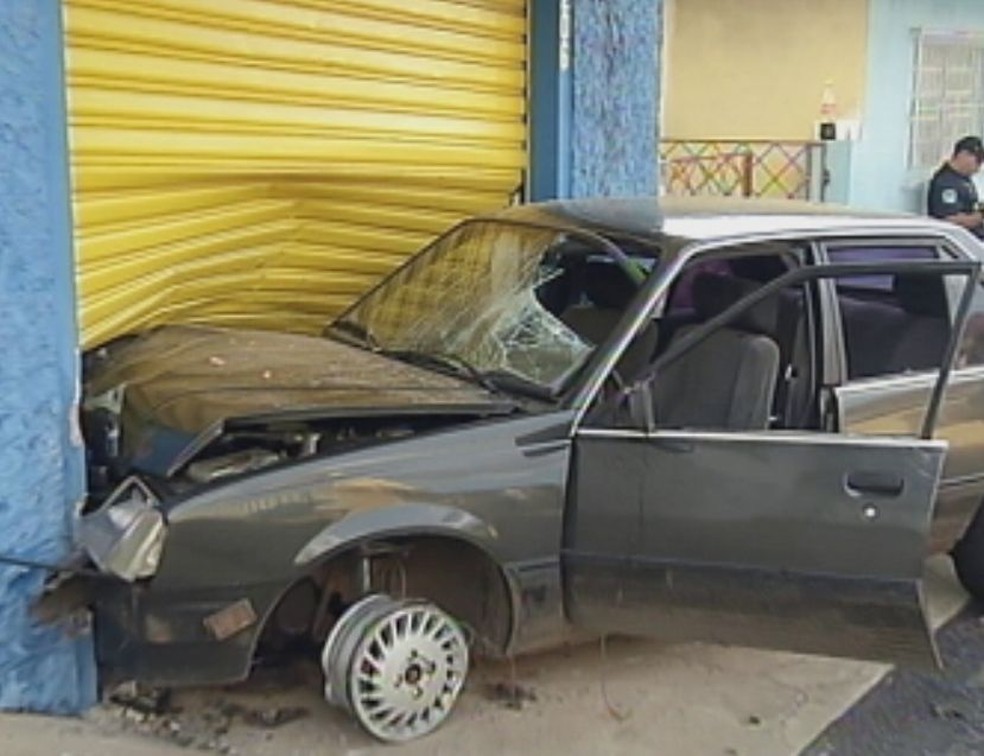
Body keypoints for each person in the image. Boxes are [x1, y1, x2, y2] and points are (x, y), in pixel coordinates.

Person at [927, 135, 984, 239]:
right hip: (959, 244)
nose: (979, 167)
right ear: (963, 155)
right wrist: (980, 217)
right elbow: (949, 220)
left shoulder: (963, 178)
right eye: (978, 161)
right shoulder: (946, 183)